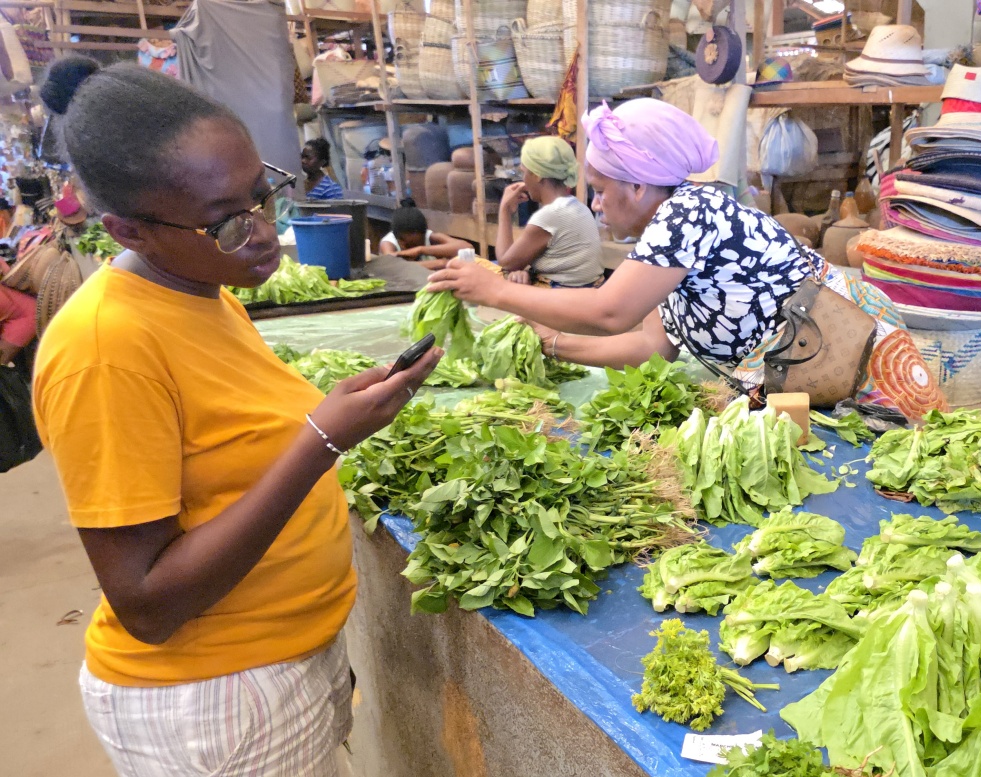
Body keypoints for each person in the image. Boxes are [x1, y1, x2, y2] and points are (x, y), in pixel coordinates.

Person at [31, 57, 440, 776]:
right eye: (225, 223)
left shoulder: (202, 292)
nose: (260, 232)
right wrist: (321, 440)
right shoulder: (106, 349)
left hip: (276, 666)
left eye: (263, 194)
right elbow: (148, 604)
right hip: (215, 701)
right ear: (128, 230)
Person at [427, 99, 946, 419]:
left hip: (858, 358)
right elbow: (650, 347)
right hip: (808, 375)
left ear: (637, 184)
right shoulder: (664, 240)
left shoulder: (689, 212)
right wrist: (554, 344)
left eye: (601, 189)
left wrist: (495, 289)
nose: (596, 204)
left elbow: (611, 312)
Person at [495, 136, 604, 288]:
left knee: (486, 271)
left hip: (563, 294)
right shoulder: (578, 207)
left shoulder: (550, 216)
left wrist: (505, 211)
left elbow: (506, 263)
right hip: (585, 289)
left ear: (537, 175)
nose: (523, 180)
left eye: (524, 172)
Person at [378, 201, 471, 271]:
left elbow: (467, 247)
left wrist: (421, 249)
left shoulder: (429, 237)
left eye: (418, 244)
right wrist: (441, 263)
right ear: (399, 241)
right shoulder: (388, 243)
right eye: (410, 245)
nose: (413, 251)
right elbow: (394, 265)